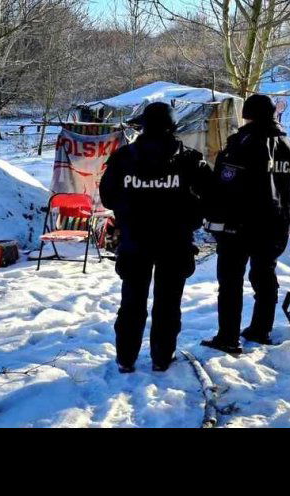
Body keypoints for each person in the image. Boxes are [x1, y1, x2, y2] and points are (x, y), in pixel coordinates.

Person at [100, 102, 209, 373]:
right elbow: (212, 195)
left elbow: (107, 196)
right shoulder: (190, 159)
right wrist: (191, 214)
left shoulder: (123, 157)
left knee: (132, 302)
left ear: (144, 125)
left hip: (135, 241)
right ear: (173, 126)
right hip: (175, 242)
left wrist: (129, 209)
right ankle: (162, 358)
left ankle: (126, 358)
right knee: (168, 303)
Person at [201, 94, 290, 355]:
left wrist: (212, 214)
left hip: (241, 225)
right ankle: (261, 329)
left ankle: (228, 337)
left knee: (231, 281)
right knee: (265, 276)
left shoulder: (244, 143)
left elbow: (225, 185)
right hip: (278, 225)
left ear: (247, 115)